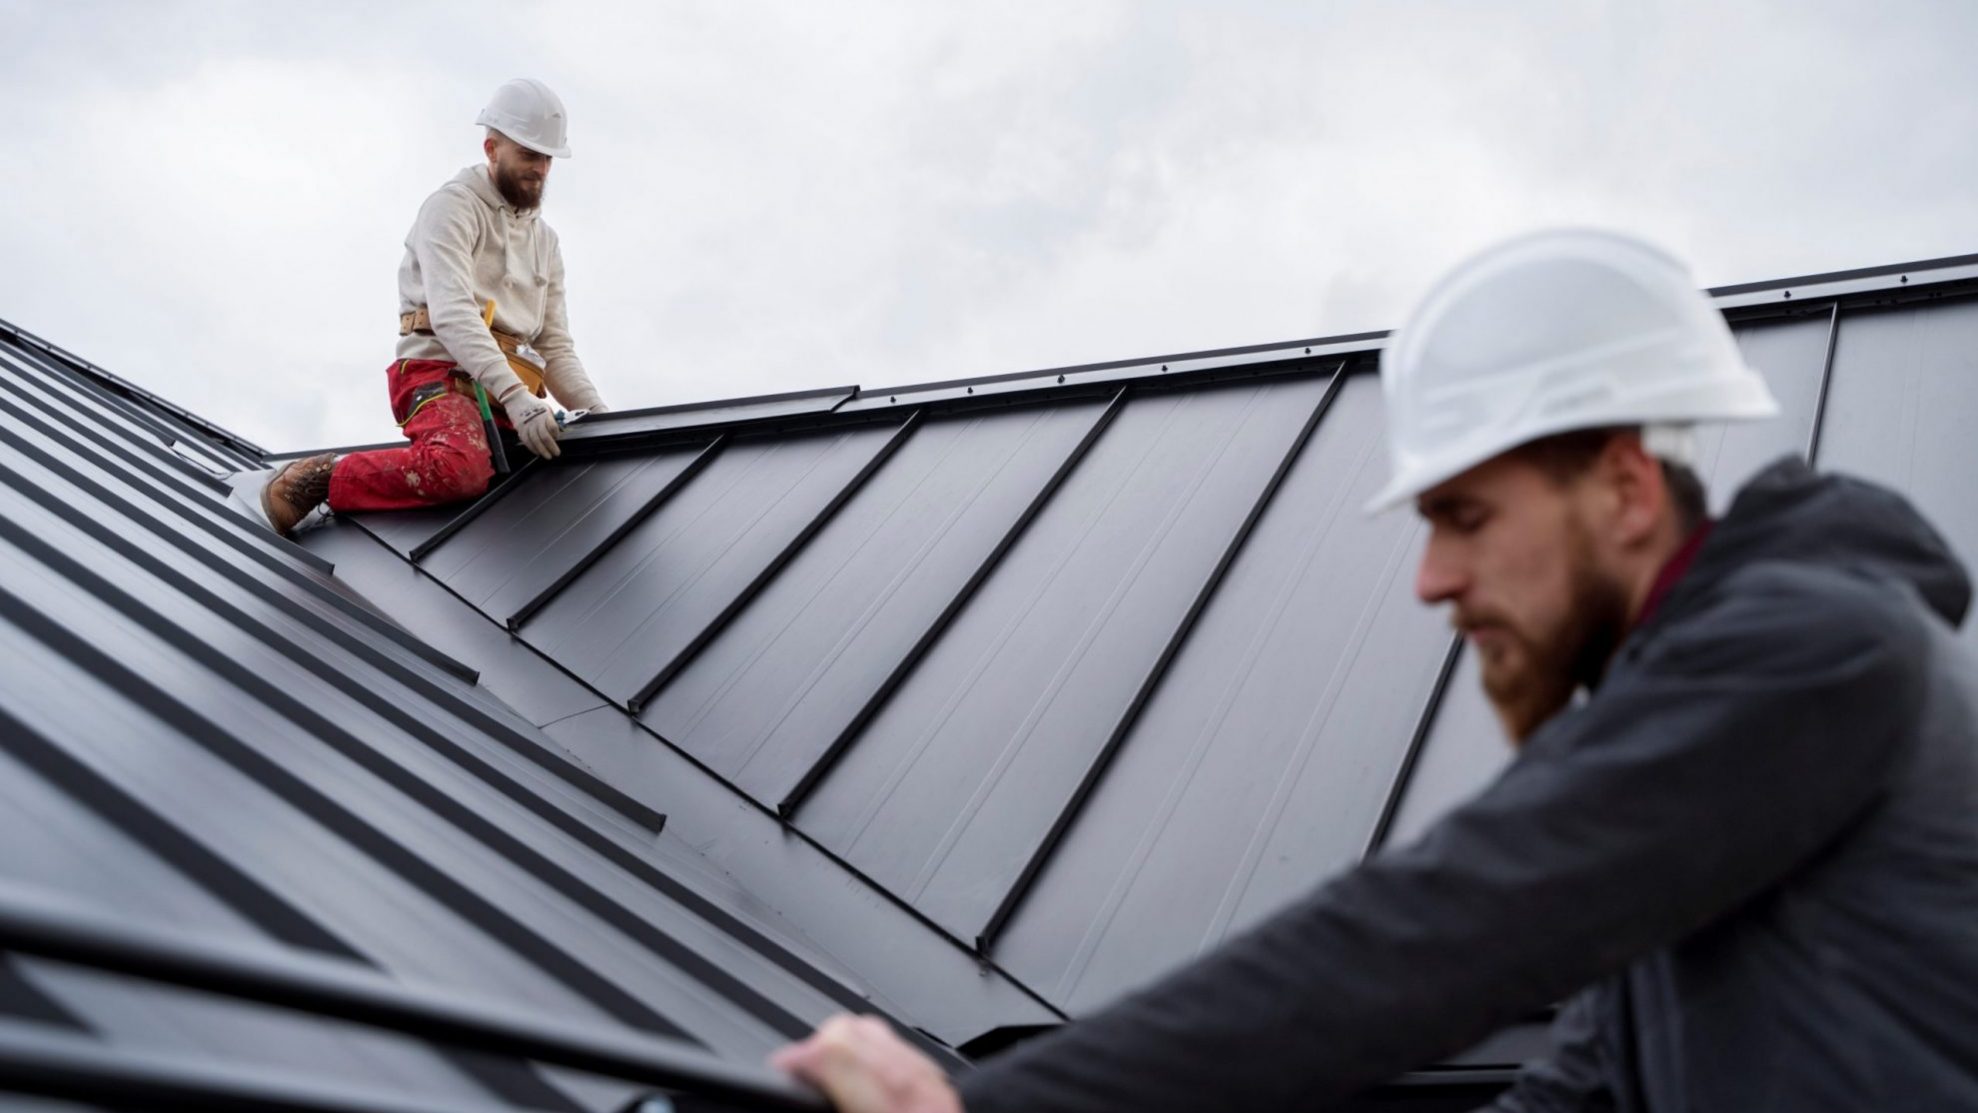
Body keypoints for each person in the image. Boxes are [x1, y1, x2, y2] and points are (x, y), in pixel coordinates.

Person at [771, 229, 1978, 1111]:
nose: (1430, 580)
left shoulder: (1813, 653)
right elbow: (1572, 1092)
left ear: (1623, 486)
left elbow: (1443, 926)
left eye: (1463, 515)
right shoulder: (1706, 813)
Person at [257, 77, 608, 535]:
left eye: (547, 158)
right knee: (459, 468)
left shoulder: (546, 242)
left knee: (563, 468)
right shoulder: (452, 208)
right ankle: (318, 480)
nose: (540, 168)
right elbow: (453, 314)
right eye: (528, 154)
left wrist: (605, 423)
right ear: (492, 148)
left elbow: (555, 347)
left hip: (509, 389)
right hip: (438, 372)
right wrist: (516, 398)